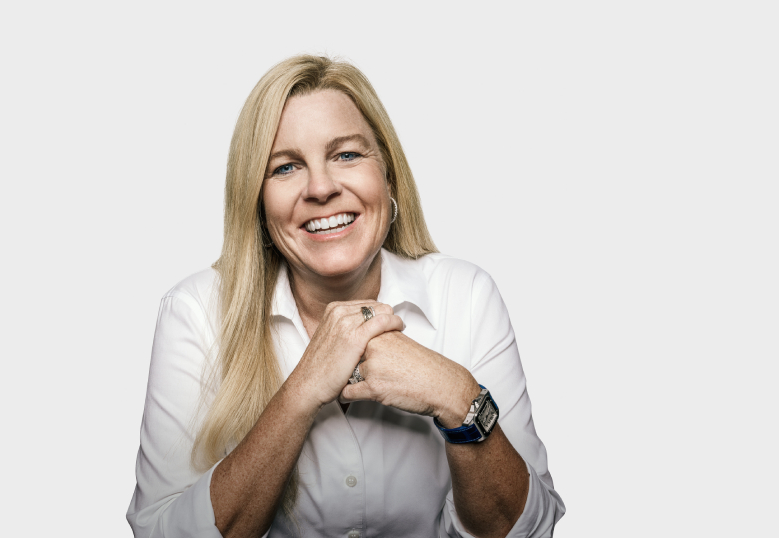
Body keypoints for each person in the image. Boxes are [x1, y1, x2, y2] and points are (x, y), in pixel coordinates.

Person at [127, 55, 565, 538]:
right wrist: (301, 392)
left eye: (347, 155)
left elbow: (529, 529)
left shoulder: (467, 296)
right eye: (285, 167)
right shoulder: (195, 313)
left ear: (388, 174)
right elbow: (158, 532)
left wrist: (456, 395)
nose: (320, 188)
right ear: (257, 202)